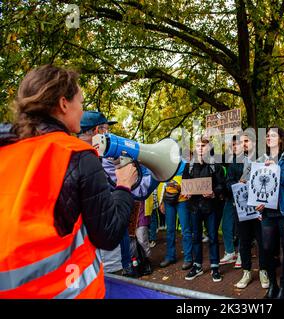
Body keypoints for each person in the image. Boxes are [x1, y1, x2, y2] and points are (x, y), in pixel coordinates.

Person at [0, 65, 137, 298]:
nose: (82, 111)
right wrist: (124, 186)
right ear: (64, 104)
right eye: (80, 103)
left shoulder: (7, 146)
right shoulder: (77, 155)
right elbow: (108, 234)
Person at [78, 110, 155, 278]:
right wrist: (157, 174)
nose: (109, 133)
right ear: (99, 131)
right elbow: (138, 191)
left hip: (84, 255)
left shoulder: (72, 156)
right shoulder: (105, 158)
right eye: (107, 129)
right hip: (112, 251)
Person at [255, 127, 284, 299]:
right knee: (266, 249)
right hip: (267, 212)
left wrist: (277, 170)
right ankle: (272, 285)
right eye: (267, 136)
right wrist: (257, 201)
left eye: (273, 135)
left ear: (280, 139)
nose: (268, 138)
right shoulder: (260, 159)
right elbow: (256, 185)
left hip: (283, 210)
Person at [227, 131, 269, 290]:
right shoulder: (235, 162)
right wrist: (237, 182)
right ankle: (246, 272)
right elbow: (228, 183)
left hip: (260, 209)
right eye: (241, 141)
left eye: (246, 141)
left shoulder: (265, 159)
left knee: (262, 241)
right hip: (242, 209)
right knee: (243, 242)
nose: (243, 144)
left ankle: (263, 271)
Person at [182, 136, 226, 282]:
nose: (200, 148)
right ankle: (197, 266)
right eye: (198, 145)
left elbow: (222, 185)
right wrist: (186, 192)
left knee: (213, 237)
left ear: (209, 148)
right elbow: (185, 183)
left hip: (211, 207)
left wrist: (214, 192)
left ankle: (215, 267)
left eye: (203, 145)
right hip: (194, 207)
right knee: (196, 237)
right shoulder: (189, 166)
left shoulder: (215, 165)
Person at [159, 160, 194, 270]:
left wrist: (180, 188)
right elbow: (162, 183)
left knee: (185, 230)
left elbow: (191, 180)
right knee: (170, 230)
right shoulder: (165, 163)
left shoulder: (185, 164)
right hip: (168, 200)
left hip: (182, 200)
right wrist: (161, 202)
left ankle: (188, 258)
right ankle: (170, 256)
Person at [219, 136, 240, 266]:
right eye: (232, 145)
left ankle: (242, 255)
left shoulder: (249, 159)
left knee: (241, 229)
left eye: (236, 144)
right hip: (229, 197)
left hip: (243, 199)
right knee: (226, 226)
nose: (234, 147)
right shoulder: (228, 159)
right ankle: (230, 252)